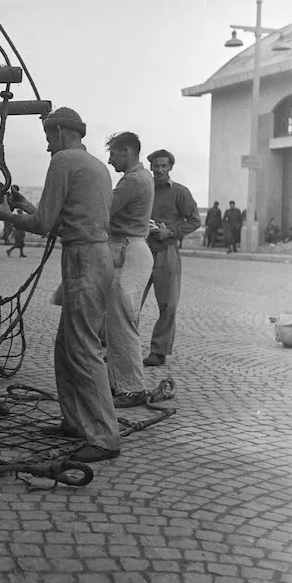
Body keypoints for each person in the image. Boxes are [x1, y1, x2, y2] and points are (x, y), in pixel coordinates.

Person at [0, 107, 120, 463]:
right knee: (67, 347)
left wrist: (8, 216)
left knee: (82, 349)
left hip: (82, 259)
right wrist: (24, 206)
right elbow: (64, 215)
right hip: (96, 256)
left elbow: (45, 223)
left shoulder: (63, 161)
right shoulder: (96, 166)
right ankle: (76, 422)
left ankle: (104, 437)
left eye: (49, 136)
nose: (48, 145)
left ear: (62, 132)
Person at [105, 132, 154, 407]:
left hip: (128, 252)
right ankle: (120, 385)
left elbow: (101, 208)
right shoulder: (141, 177)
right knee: (117, 322)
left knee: (122, 323)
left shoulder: (132, 180)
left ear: (127, 151)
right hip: (131, 250)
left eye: (113, 154)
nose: (110, 160)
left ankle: (132, 389)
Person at [141, 149, 201, 366]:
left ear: (170, 168)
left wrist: (172, 231)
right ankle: (120, 348)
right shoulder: (143, 188)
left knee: (168, 305)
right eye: (155, 165)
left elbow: (194, 221)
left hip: (166, 252)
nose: (159, 170)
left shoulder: (180, 192)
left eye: (163, 166)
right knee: (128, 300)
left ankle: (159, 351)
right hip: (139, 249)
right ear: (150, 167)